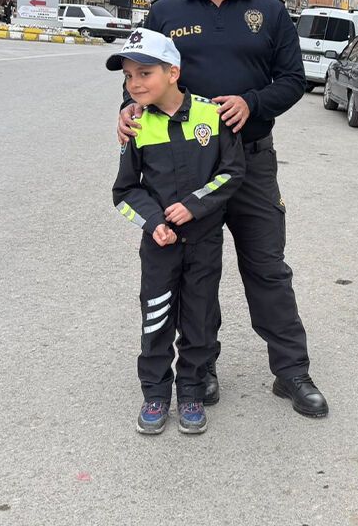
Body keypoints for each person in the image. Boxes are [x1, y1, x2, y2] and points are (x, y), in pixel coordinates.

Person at [117, 0, 328, 418]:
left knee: (266, 267)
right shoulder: (166, 12)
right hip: (185, 173)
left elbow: (294, 81)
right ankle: (201, 367)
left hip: (250, 164)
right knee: (195, 271)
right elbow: (143, 73)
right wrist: (126, 110)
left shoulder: (270, 10)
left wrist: (250, 103)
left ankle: (291, 371)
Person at [109, 28, 245, 435]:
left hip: (204, 241)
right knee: (156, 316)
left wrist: (194, 205)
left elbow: (233, 172)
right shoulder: (136, 127)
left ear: (173, 72)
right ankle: (155, 391)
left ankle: (191, 389)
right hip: (159, 246)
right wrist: (155, 223)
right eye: (128, 76)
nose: (134, 84)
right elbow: (124, 191)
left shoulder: (211, 115)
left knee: (200, 318)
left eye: (144, 73)